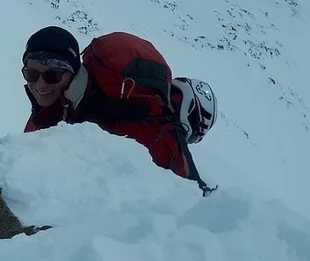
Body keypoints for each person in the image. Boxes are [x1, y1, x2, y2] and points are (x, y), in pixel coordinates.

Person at [21, 26, 217, 194]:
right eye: (31, 74)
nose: (40, 85)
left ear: (73, 73)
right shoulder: (53, 110)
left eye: (52, 76)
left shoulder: (121, 117)